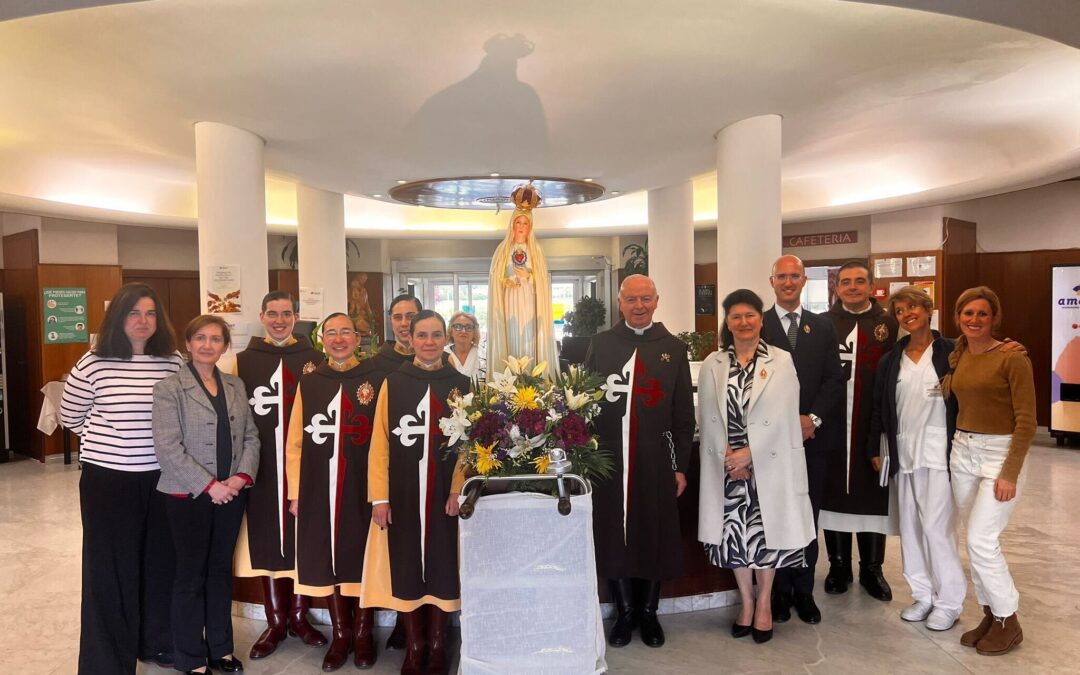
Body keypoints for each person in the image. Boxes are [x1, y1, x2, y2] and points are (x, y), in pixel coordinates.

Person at [60, 282, 184, 675]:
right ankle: (108, 660)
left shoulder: (173, 361)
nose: (143, 321)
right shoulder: (93, 362)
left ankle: (156, 641)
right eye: (134, 313)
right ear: (118, 318)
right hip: (108, 481)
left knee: (159, 563)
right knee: (110, 569)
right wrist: (111, 440)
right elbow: (70, 418)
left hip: (162, 479)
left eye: (150, 313)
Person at [698, 289, 815, 644]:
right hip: (729, 469)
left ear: (761, 320)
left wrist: (751, 454)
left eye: (750, 315)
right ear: (727, 322)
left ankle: (764, 602)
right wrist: (731, 459)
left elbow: (785, 418)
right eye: (736, 316)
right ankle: (745, 603)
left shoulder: (781, 361)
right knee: (734, 538)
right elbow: (706, 418)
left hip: (768, 464)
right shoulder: (713, 363)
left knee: (766, 539)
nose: (744, 322)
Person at [584, 274, 695, 648]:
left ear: (657, 300)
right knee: (613, 533)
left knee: (654, 532)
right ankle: (623, 611)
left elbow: (683, 416)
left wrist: (679, 465)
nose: (639, 305)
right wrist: (587, 457)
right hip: (610, 460)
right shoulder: (600, 345)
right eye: (631, 299)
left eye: (645, 298)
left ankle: (649, 613)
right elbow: (584, 404)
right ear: (620, 302)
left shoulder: (674, 349)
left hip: (655, 458)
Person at [362, 310, 470, 675]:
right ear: (410, 339)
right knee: (406, 564)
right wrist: (380, 496)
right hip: (404, 490)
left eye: (436, 335)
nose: (428, 342)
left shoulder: (462, 385)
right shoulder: (394, 382)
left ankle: (439, 644)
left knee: (441, 565)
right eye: (421, 335)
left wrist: (458, 490)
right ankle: (415, 644)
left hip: (442, 492)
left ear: (447, 339)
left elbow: (469, 447)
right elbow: (379, 443)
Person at [153, 315, 260, 675]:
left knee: (219, 572)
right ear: (187, 343)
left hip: (232, 494)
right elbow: (168, 448)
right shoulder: (169, 388)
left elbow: (250, 437)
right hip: (188, 496)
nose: (207, 345)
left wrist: (239, 479)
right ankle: (190, 656)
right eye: (200, 337)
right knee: (189, 575)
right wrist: (209, 485)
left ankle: (221, 649)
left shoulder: (235, 385)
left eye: (216, 339)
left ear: (224, 346)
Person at [285, 312, 387, 670]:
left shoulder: (377, 379)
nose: (339, 339)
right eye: (332, 333)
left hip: (362, 485)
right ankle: (341, 634)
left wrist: (381, 492)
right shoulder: (310, 382)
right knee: (329, 558)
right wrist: (295, 492)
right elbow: (294, 441)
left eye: (346, 332)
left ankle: (363, 633)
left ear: (357, 339)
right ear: (322, 340)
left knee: (360, 556)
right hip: (318, 486)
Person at [232, 291, 327, 660]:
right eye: (272, 314)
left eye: (286, 313)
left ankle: (300, 617)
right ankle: (275, 621)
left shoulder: (315, 359)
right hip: (264, 465)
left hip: (307, 463)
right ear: (261, 316)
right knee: (269, 536)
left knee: (303, 535)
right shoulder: (242, 362)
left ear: (296, 316)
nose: (279, 320)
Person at [941, 286, 1036, 656]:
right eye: (968, 313)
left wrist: (1010, 472)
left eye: (982, 314)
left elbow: (1027, 420)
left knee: (983, 539)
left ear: (994, 318)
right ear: (958, 318)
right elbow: (957, 389)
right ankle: (990, 614)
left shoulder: (1012, 357)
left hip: (999, 453)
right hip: (962, 452)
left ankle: (1009, 619)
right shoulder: (959, 353)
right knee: (973, 539)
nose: (975, 320)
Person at [867, 286, 966, 631]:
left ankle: (949, 601)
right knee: (909, 527)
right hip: (903, 453)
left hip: (939, 453)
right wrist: (874, 450)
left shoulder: (953, 350)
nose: (907, 315)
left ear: (928, 309)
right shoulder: (891, 358)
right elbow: (879, 408)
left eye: (913, 308)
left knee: (937, 529)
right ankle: (922, 594)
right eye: (899, 311)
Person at [760, 255, 845, 626]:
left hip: (812, 438)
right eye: (783, 276)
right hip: (769, 441)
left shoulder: (823, 326)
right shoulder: (756, 324)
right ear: (772, 281)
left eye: (795, 276)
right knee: (773, 513)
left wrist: (813, 418)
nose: (789, 282)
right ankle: (778, 592)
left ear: (804, 280)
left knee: (807, 515)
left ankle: (804, 591)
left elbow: (834, 379)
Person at [819, 261, 898, 601]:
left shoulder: (889, 325)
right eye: (846, 282)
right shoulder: (821, 325)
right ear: (836, 287)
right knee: (833, 491)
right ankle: (838, 565)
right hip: (832, 425)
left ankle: (871, 569)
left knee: (871, 494)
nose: (852, 287)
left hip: (872, 423)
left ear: (871, 286)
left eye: (859, 281)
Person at [486, 183, 557, 377]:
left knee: (528, 337)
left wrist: (530, 278)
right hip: (509, 301)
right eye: (518, 222)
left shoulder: (536, 251)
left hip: (530, 303)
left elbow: (542, 280)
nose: (521, 227)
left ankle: (530, 377)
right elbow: (495, 277)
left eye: (525, 223)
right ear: (512, 224)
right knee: (511, 336)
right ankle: (509, 378)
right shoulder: (503, 250)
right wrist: (505, 281)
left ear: (530, 227)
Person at [446, 310, 483, 379]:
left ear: (474, 332)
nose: (463, 331)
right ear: (451, 331)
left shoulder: (482, 354)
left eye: (469, 327)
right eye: (458, 326)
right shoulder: (442, 355)